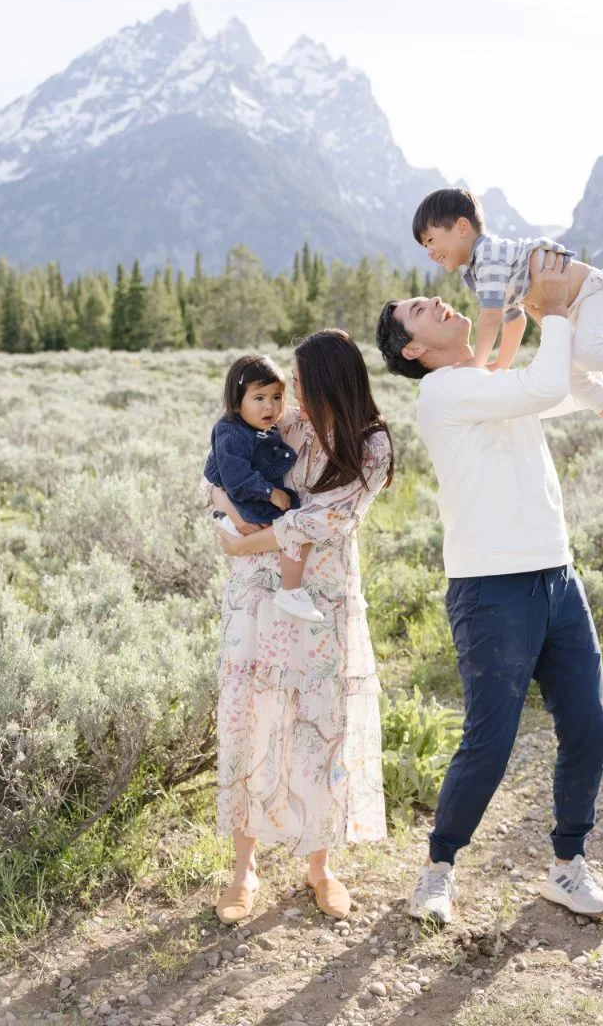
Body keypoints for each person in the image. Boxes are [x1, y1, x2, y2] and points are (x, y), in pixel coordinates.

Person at [375, 252, 603, 925]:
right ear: (415, 348)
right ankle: (436, 871)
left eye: (432, 297)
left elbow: (555, 390)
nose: (440, 304)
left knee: (589, 723)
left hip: (555, 573)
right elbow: (540, 388)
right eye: (422, 311)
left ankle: (568, 866)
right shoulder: (442, 391)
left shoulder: (487, 381)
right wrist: (556, 308)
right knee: (490, 739)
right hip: (491, 588)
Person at [201, 329, 393, 925]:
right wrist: (223, 515)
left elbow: (324, 522)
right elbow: (217, 469)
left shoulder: (371, 444)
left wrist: (246, 543)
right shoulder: (286, 424)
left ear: (332, 380)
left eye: (302, 382)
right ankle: (243, 869)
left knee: (321, 723)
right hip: (258, 598)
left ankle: (319, 866)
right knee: (249, 719)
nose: (291, 394)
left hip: (324, 601)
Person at [412, 187, 603, 474]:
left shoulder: (489, 257)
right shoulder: (477, 273)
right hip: (568, 309)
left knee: (587, 353)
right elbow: (514, 320)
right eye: (425, 247)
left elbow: (491, 317)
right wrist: (500, 366)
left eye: (431, 240)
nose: (430, 252)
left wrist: (477, 363)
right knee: (573, 378)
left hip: (593, 291)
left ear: (462, 228)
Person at [203, 352, 323, 623]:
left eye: (277, 397)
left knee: (298, 519)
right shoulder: (231, 432)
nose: (269, 407)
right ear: (237, 402)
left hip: (244, 505)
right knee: (297, 519)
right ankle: (291, 590)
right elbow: (234, 478)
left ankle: (290, 588)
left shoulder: (262, 424)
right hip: (246, 503)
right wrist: (271, 493)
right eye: (259, 398)